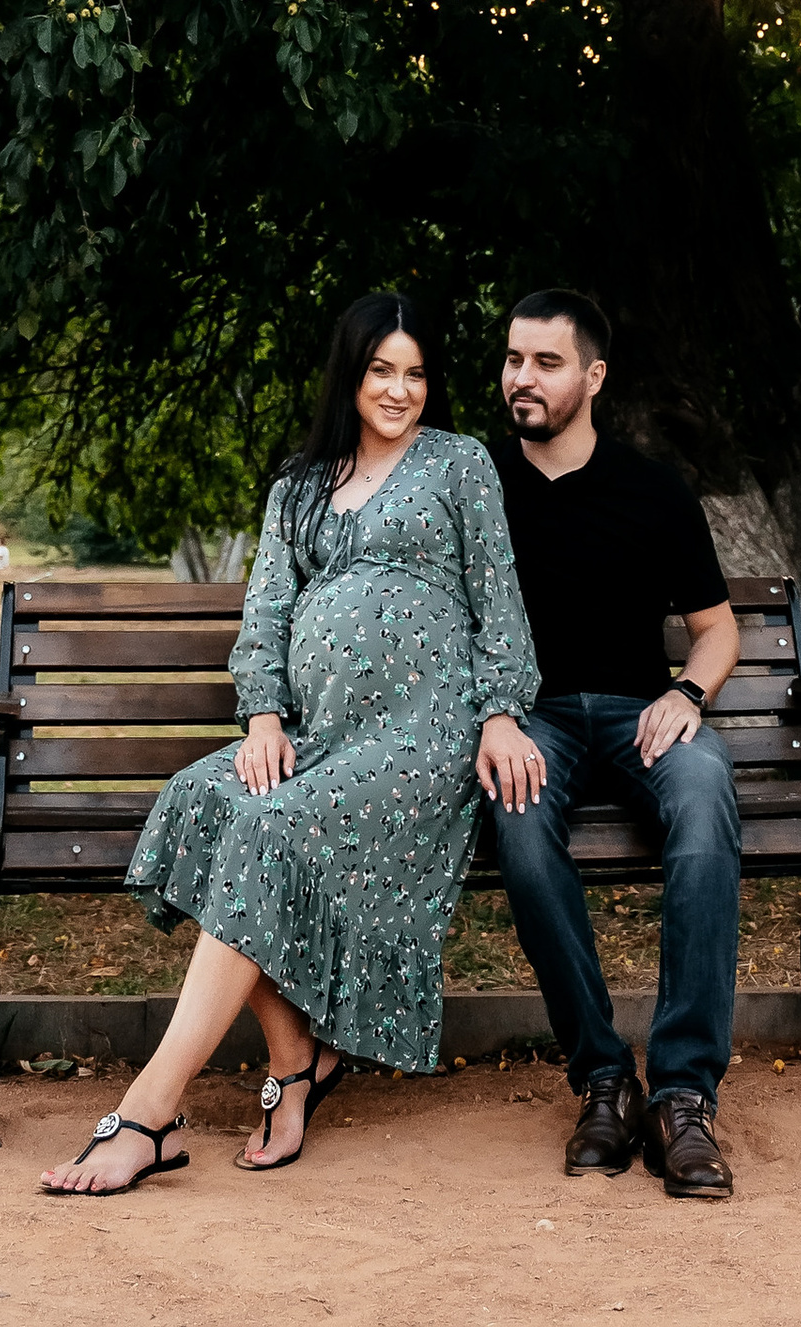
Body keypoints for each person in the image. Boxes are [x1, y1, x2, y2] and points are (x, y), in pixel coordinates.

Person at [39, 288, 541, 1196]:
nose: (399, 390)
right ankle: (295, 1059)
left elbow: (499, 604)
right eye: (381, 370)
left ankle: (149, 1112)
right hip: (317, 735)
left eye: (416, 373)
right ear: (350, 374)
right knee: (205, 800)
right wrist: (264, 715)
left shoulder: (460, 464)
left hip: (421, 740)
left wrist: (501, 711)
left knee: (266, 831)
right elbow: (266, 612)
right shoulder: (299, 487)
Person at [486, 289, 743, 1201]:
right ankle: (603, 1080)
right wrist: (494, 717)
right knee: (519, 824)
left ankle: (681, 1096)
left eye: (546, 362)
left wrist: (686, 692)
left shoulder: (653, 488)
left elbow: (717, 629)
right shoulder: (478, 484)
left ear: (593, 376)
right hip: (533, 718)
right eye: (514, 358)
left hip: (643, 712)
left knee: (704, 798)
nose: (522, 377)